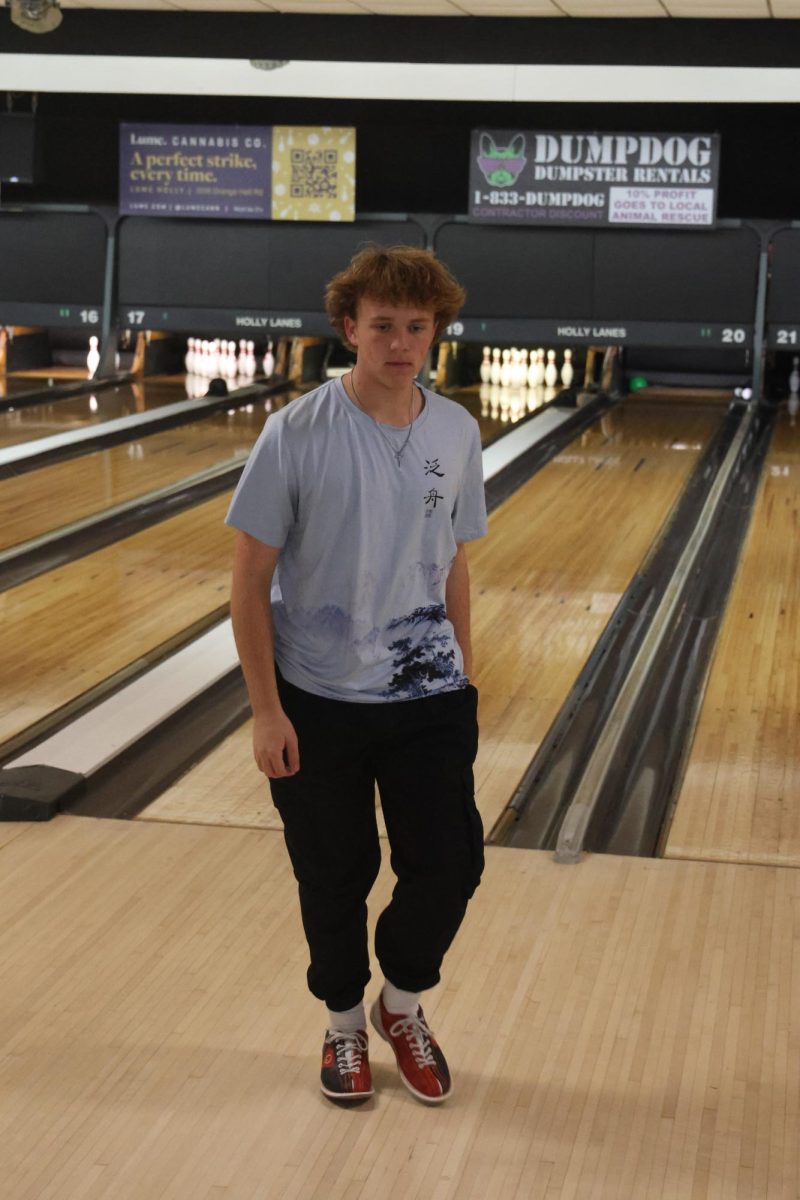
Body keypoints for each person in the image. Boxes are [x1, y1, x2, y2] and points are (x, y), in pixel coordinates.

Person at [226, 244, 488, 1105]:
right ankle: (343, 1024)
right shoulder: (295, 433)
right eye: (384, 326)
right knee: (333, 874)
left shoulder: (456, 429)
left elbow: (451, 558)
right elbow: (248, 579)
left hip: (428, 699)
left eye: (418, 327)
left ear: (436, 332)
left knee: (449, 863)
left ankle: (400, 1005)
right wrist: (266, 712)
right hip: (317, 700)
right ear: (350, 329)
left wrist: (465, 674)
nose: (402, 342)